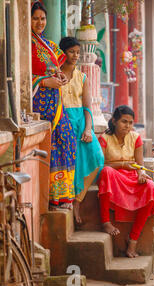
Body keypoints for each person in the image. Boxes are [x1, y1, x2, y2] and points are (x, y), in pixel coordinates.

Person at [31, 1, 77, 210]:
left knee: (67, 138)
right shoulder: (25, 44)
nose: (40, 22)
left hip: (55, 100)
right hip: (39, 101)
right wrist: (42, 81)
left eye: (42, 18)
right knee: (55, 142)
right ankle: (53, 197)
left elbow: (53, 67)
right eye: (35, 18)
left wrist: (58, 76)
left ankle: (64, 194)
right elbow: (20, 75)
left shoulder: (47, 44)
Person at [97, 106, 154, 258]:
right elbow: (100, 166)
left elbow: (140, 165)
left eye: (131, 123)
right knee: (106, 172)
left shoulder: (135, 138)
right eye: (124, 121)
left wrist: (142, 174)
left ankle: (133, 241)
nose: (127, 126)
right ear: (114, 121)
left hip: (131, 176)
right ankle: (105, 222)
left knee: (150, 187)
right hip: (113, 175)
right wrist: (122, 165)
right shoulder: (104, 139)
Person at [59, 36, 105, 224]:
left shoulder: (82, 77)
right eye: (71, 52)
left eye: (77, 52)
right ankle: (68, 199)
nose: (75, 55)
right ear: (63, 53)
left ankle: (78, 200)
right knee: (70, 163)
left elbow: (87, 107)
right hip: (62, 123)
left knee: (97, 157)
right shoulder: (55, 76)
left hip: (80, 124)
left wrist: (88, 129)